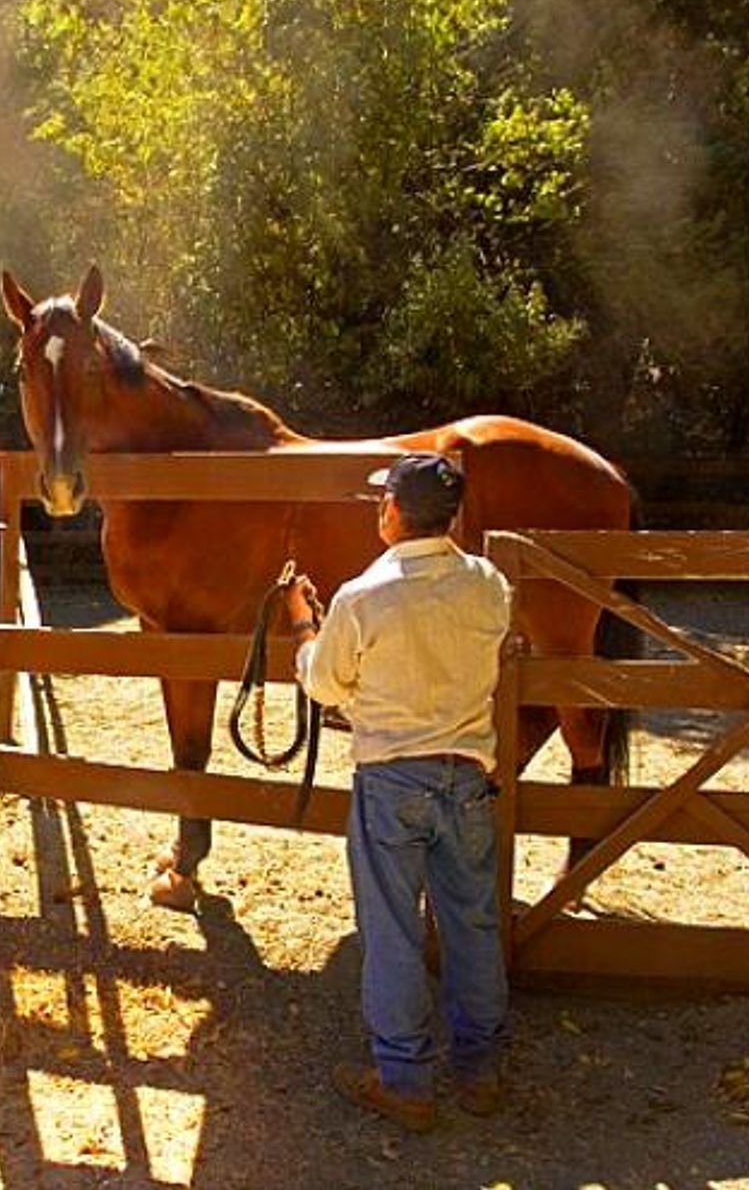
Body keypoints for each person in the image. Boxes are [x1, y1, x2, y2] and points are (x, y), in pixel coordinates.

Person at [287, 452, 514, 1134]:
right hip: (467, 774)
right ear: (458, 516)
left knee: (391, 928)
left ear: (390, 511)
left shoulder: (361, 597)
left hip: (391, 778)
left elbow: (324, 684)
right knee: (472, 921)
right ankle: (480, 1068)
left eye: (380, 502)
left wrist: (306, 624)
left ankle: (405, 1077)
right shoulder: (489, 584)